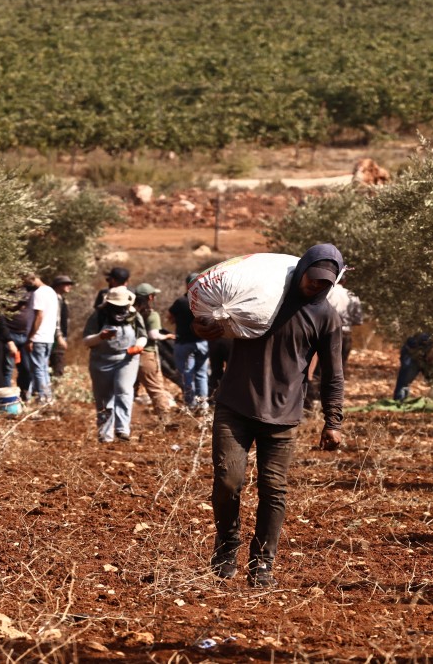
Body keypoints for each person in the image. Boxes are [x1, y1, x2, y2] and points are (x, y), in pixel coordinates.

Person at [197, 244, 345, 588]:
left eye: (326, 283)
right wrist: (201, 326)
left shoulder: (325, 316)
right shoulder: (260, 297)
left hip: (283, 415)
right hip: (234, 407)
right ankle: (227, 544)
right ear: (301, 270)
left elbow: (334, 375)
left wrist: (333, 421)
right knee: (228, 481)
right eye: (313, 279)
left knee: (274, 490)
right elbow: (216, 327)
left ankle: (262, 562)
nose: (317, 286)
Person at [82, 286, 147, 442]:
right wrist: (100, 336)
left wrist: (138, 346)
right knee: (104, 398)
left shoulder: (133, 316)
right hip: (101, 360)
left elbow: (143, 335)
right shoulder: (98, 316)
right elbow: (86, 340)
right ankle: (105, 434)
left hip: (127, 359)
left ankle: (122, 429)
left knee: (124, 390)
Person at [168, 273, 210, 412]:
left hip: (185, 343)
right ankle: (203, 404)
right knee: (202, 374)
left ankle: (191, 404)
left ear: (187, 285)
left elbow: (170, 318)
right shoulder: (206, 301)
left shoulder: (180, 302)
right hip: (203, 343)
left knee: (187, 374)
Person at [132, 282, 177, 412]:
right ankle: (164, 419)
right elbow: (153, 335)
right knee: (156, 388)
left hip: (130, 354)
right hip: (146, 354)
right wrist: (167, 336)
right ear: (150, 297)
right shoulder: (152, 314)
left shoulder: (131, 312)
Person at [23, 272, 59, 405]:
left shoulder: (39, 293)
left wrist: (31, 337)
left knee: (38, 369)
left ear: (33, 279)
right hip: (48, 337)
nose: (26, 285)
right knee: (43, 368)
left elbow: (39, 316)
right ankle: (47, 398)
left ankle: (43, 399)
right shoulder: (51, 291)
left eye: (27, 282)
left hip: (38, 337)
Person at [393, 332, 433, 401]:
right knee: (404, 381)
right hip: (413, 355)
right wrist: (430, 348)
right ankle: (399, 401)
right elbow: (416, 340)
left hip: (431, 360)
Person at [2, 291, 33, 399]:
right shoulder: (4, 293)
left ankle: (24, 396)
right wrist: (8, 339)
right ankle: (7, 398)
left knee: (26, 369)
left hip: (25, 336)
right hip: (10, 335)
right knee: (8, 368)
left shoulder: (29, 292)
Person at [49, 275, 74, 377]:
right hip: (54, 337)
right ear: (58, 285)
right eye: (66, 284)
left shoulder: (62, 299)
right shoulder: (54, 299)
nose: (69, 286)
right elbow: (55, 319)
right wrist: (59, 336)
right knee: (58, 363)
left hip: (58, 336)